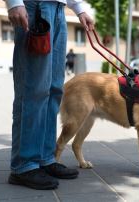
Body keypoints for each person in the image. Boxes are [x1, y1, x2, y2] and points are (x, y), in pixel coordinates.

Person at [5, 0, 94, 190]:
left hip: (58, 10)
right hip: (34, 7)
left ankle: (46, 158)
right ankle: (24, 165)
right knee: (33, 90)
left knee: (53, 90)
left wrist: (78, 8)